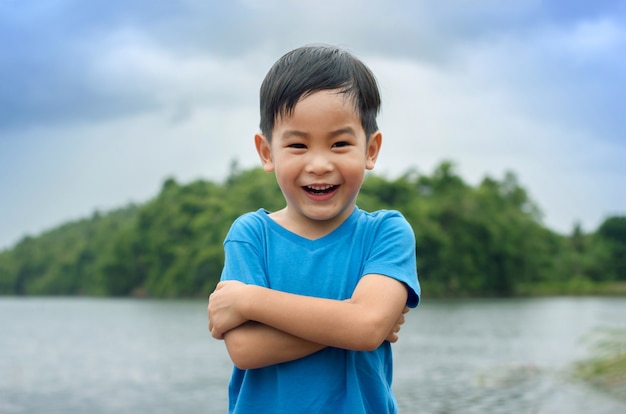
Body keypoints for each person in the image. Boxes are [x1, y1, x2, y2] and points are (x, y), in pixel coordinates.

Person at [208, 44, 420, 414]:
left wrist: (248, 300)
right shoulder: (251, 234)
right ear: (266, 151)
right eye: (297, 145)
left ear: (371, 149)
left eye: (340, 143)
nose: (319, 164)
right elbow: (246, 350)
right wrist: (352, 323)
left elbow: (367, 327)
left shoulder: (386, 233)